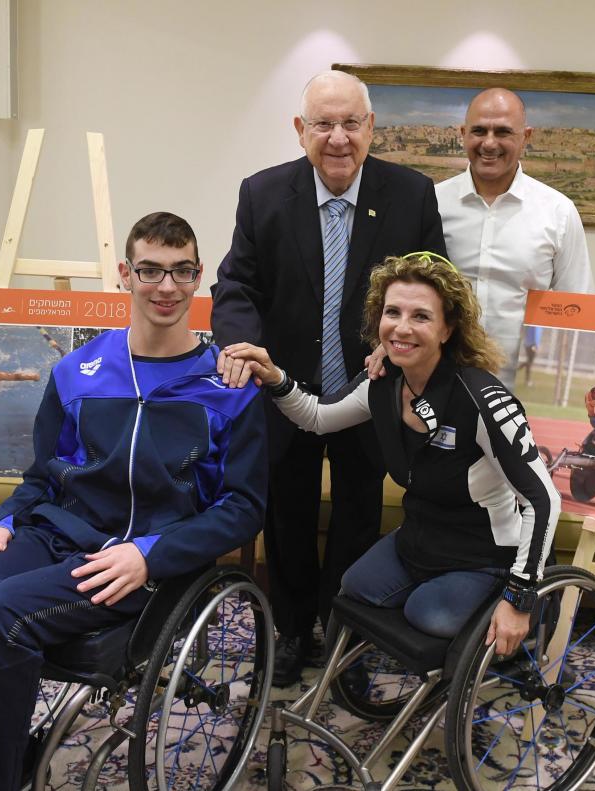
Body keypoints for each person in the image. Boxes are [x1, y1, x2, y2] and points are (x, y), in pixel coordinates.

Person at [0, 212, 267, 791]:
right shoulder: (77, 371)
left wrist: (150, 556)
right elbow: (43, 474)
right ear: (124, 275)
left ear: (199, 277)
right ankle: (0, 750)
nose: (166, 286)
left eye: (181, 272)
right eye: (151, 270)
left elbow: (243, 507)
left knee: (0, 611)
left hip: (144, 558)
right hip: (61, 532)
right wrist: (3, 518)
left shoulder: (228, 387)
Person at [210, 70, 446, 686]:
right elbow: (236, 285)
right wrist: (241, 343)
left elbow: (432, 287)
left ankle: (345, 638)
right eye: (323, 124)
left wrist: (394, 348)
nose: (338, 138)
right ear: (300, 131)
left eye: (351, 124)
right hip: (283, 388)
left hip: (370, 390)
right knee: (285, 514)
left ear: (371, 128)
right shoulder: (262, 194)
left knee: (358, 516)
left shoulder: (412, 194)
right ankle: (291, 631)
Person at [224, 252, 559, 655]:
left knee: (428, 614)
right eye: (392, 312)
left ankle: (506, 636)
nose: (402, 327)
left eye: (421, 316)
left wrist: (520, 598)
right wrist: (274, 376)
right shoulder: (381, 385)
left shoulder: (482, 399)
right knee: (355, 587)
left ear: (448, 329)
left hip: (486, 553)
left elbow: (543, 499)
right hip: (423, 539)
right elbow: (316, 416)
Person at [435, 87, 594, 388]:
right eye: (479, 131)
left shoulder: (558, 212)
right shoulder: (433, 204)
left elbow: (578, 308)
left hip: (519, 392)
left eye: (503, 132)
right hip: (439, 384)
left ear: (526, 137)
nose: (489, 143)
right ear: (462, 133)